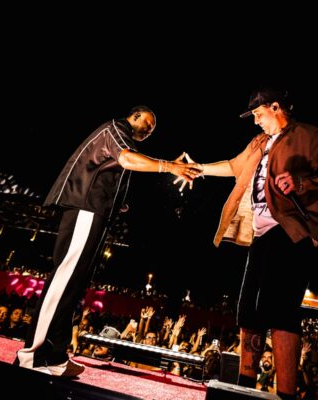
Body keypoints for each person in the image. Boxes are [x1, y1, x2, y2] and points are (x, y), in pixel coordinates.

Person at [183, 87, 318, 399]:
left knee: (281, 310)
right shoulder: (260, 142)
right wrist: (199, 169)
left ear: (275, 107)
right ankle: (245, 386)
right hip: (260, 234)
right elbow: (234, 166)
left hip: (291, 230)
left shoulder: (307, 135)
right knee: (248, 311)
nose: (256, 121)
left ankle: (285, 394)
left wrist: (303, 182)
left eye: (259, 114)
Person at [15, 105, 201, 377]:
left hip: (97, 213)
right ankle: (34, 354)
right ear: (134, 116)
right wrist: (169, 166)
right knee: (66, 278)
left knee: (75, 286)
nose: (149, 131)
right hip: (86, 208)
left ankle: (54, 355)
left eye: (152, 130)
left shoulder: (124, 140)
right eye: (147, 124)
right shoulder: (115, 129)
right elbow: (127, 159)